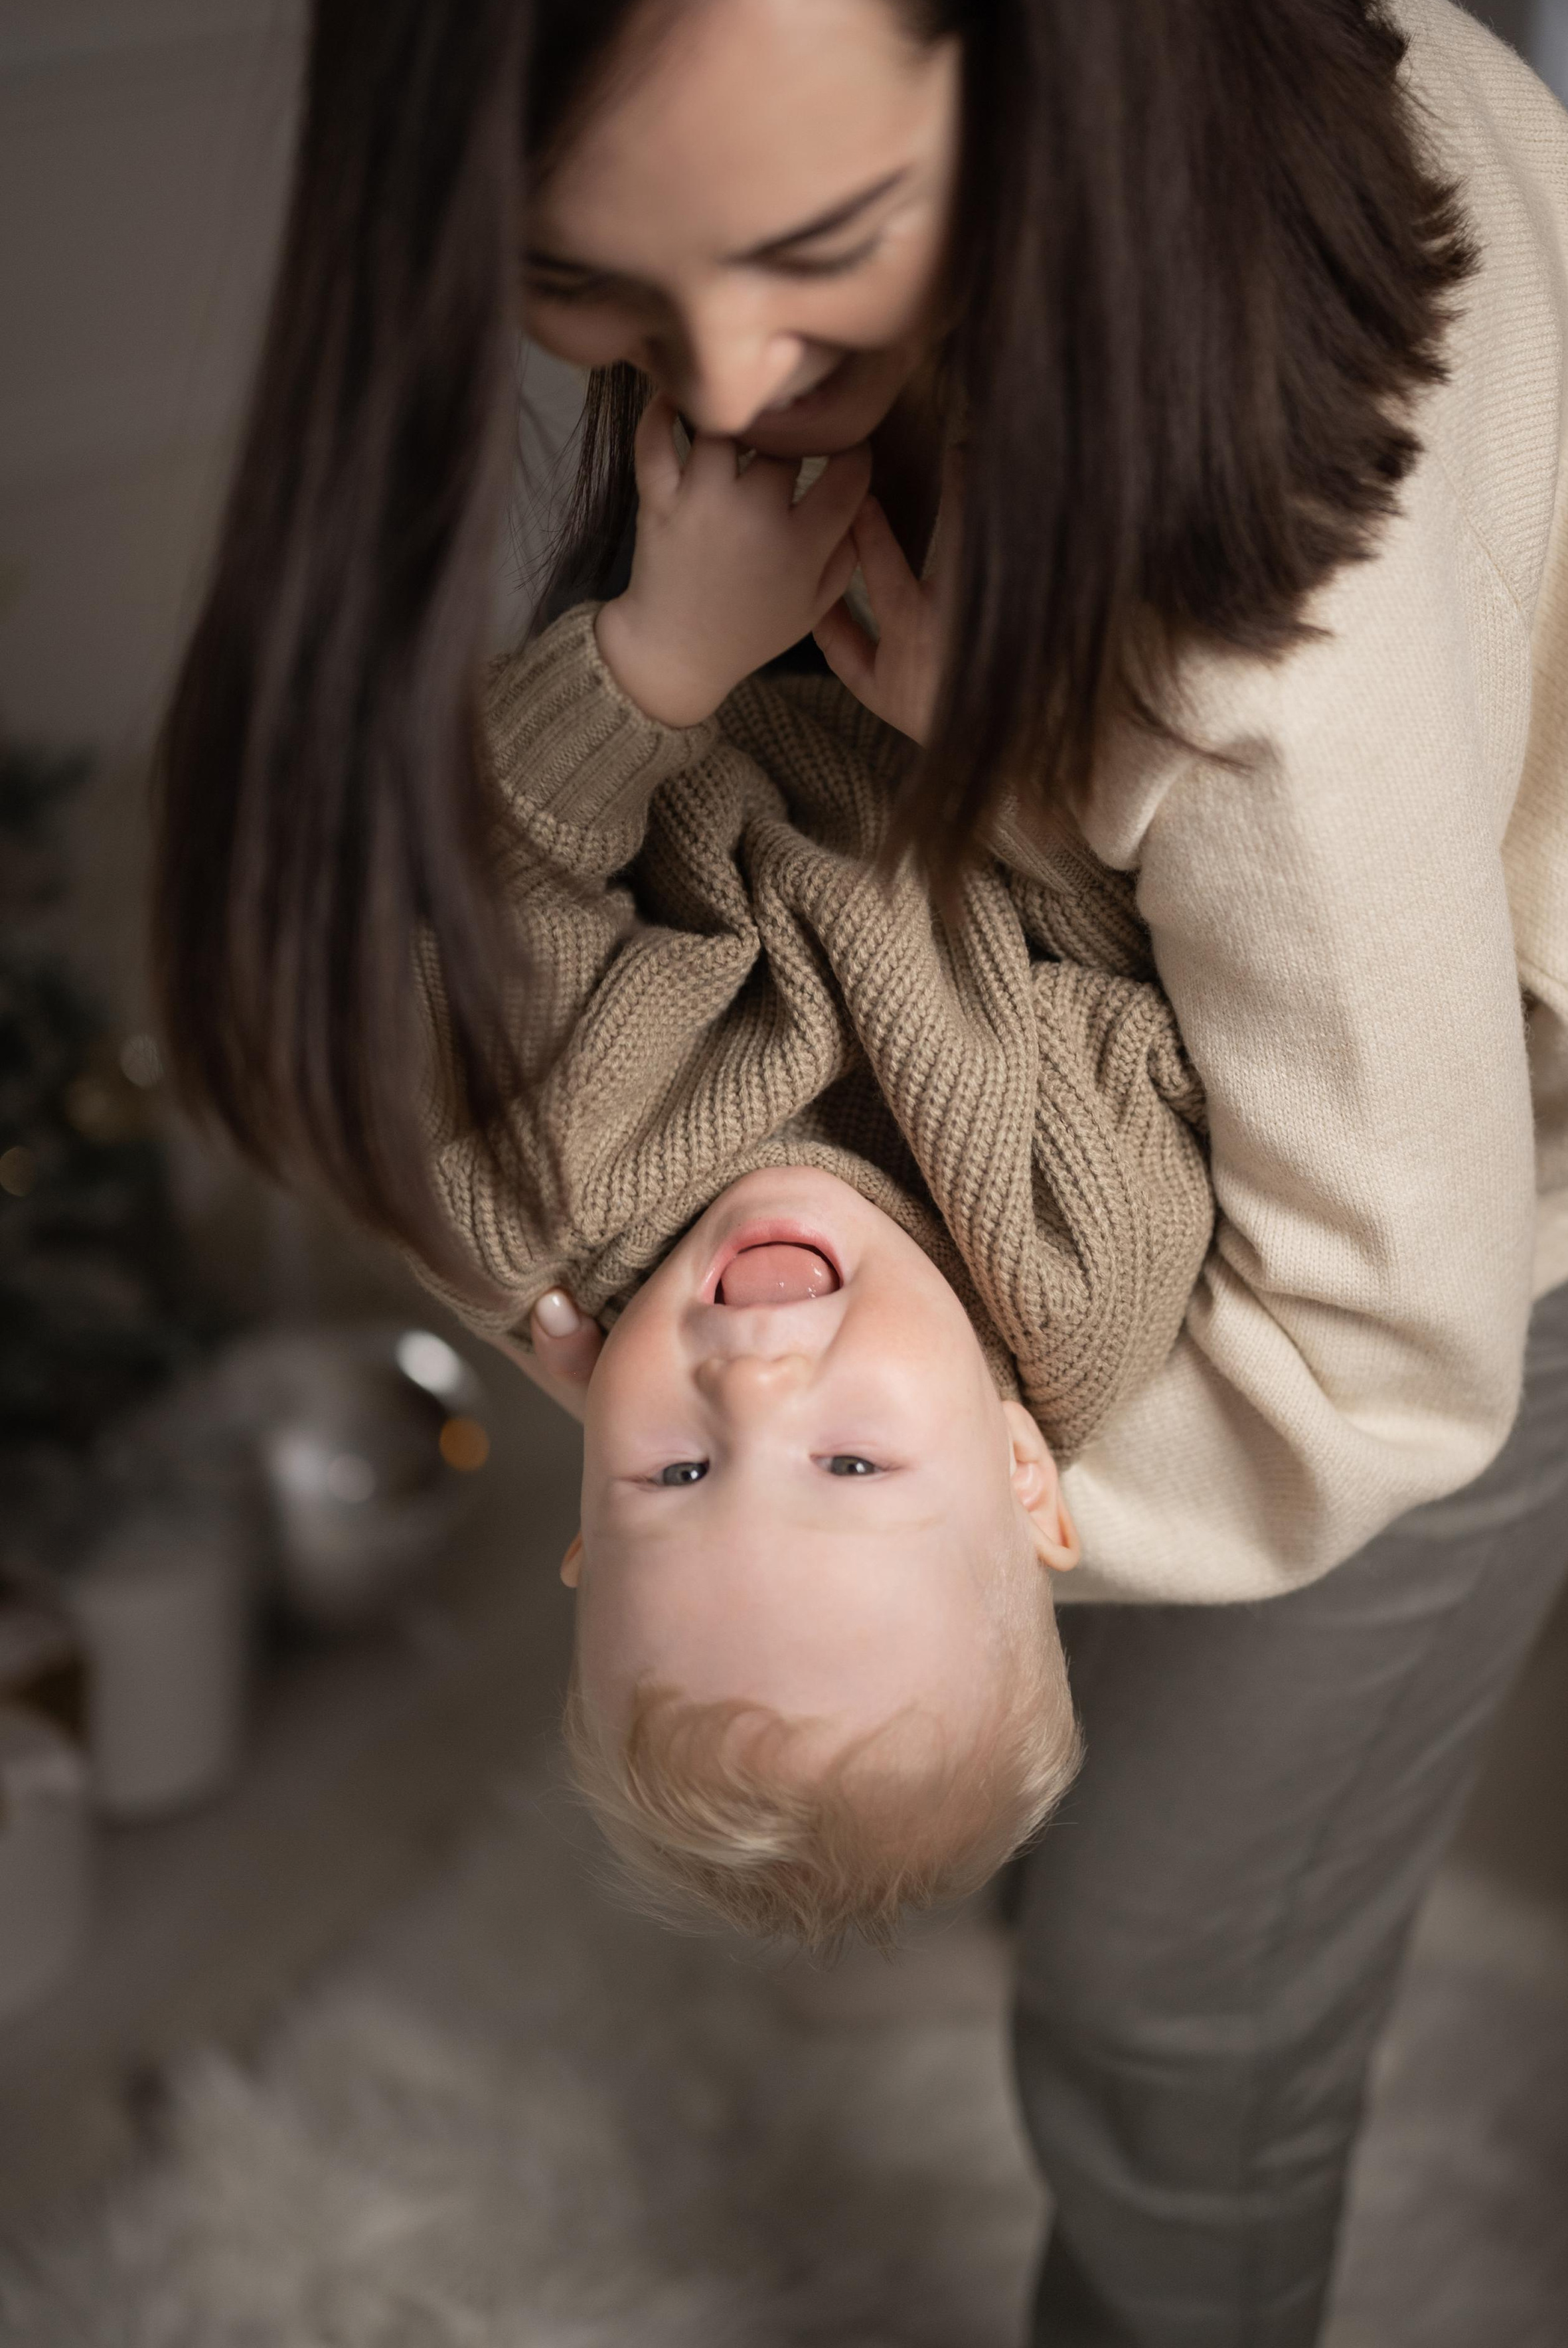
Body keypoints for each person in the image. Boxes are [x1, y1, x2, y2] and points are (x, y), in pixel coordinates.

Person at [153, 0, 1568, 2341]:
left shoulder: (1266, 602)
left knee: (1171, 1985)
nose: (724, 395)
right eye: (586, 288)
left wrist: (823, 715)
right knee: (1021, 1765)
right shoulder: (1069, 1256)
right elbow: (1061, 1030)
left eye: (816, 257)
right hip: (1184, 996)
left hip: (1526, 1175)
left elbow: (1375, 1350)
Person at [416, 490, 1212, 1948]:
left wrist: (655, 657)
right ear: (1023, 1472)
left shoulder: (548, 1207)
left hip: (664, 645)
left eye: (672, 1471)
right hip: (986, 691)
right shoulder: (1077, 1261)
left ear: (583, 1510)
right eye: (847, 1461)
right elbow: (1141, 971)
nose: (753, 1383)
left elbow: (479, 894)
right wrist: (999, 746)